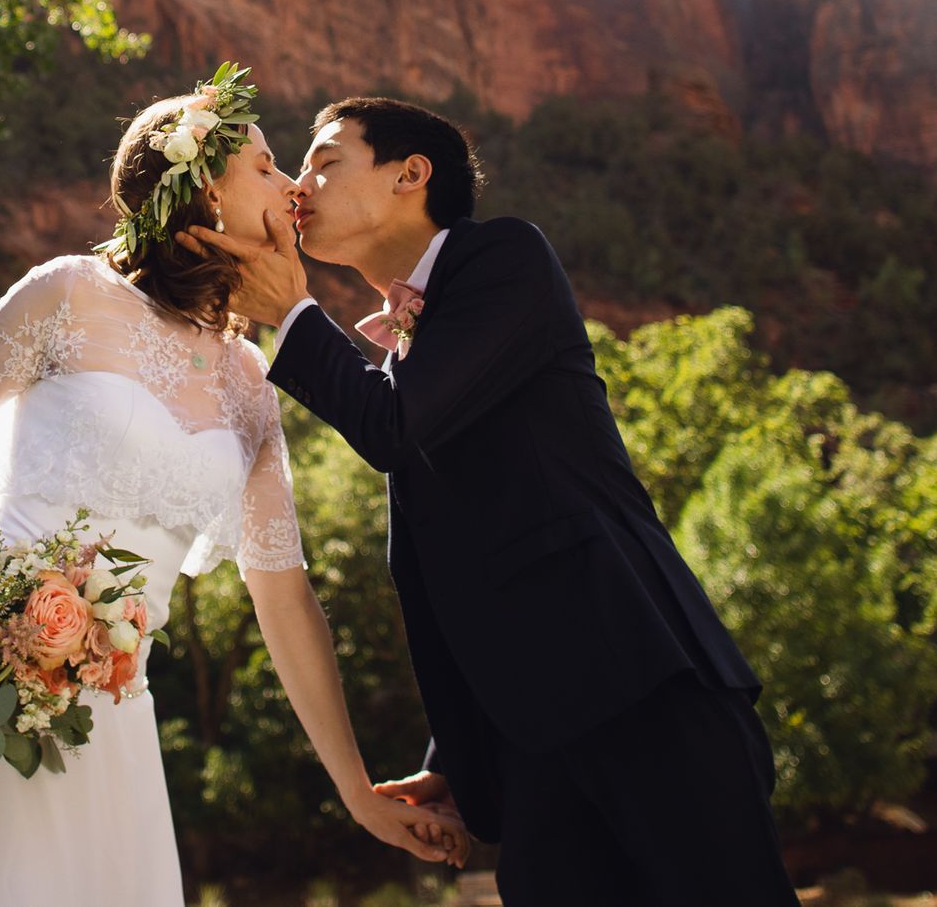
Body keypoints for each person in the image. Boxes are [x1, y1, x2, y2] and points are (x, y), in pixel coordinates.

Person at [0, 67, 461, 907]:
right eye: (264, 166)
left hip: (104, 726)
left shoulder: (255, 382)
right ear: (197, 194)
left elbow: (286, 599)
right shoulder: (69, 292)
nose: (293, 185)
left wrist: (357, 792)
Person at [184, 95, 802, 907]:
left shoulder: (505, 258)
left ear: (412, 174)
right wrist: (456, 756)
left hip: (646, 696)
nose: (299, 187)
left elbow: (393, 429)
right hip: (532, 748)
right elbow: (463, 558)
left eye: (325, 160)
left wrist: (291, 314)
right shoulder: (416, 343)